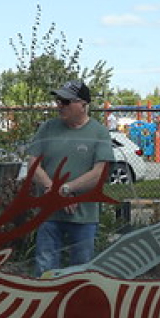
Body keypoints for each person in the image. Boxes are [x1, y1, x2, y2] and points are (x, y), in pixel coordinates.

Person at [28, 80, 115, 276]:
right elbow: (33, 165)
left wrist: (67, 189)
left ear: (83, 105)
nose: (59, 105)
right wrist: (54, 191)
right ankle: (45, 304)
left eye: (66, 101)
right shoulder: (48, 128)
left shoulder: (99, 132)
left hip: (84, 217)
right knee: (45, 268)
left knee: (82, 271)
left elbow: (99, 173)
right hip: (48, 214)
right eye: (58, 100)